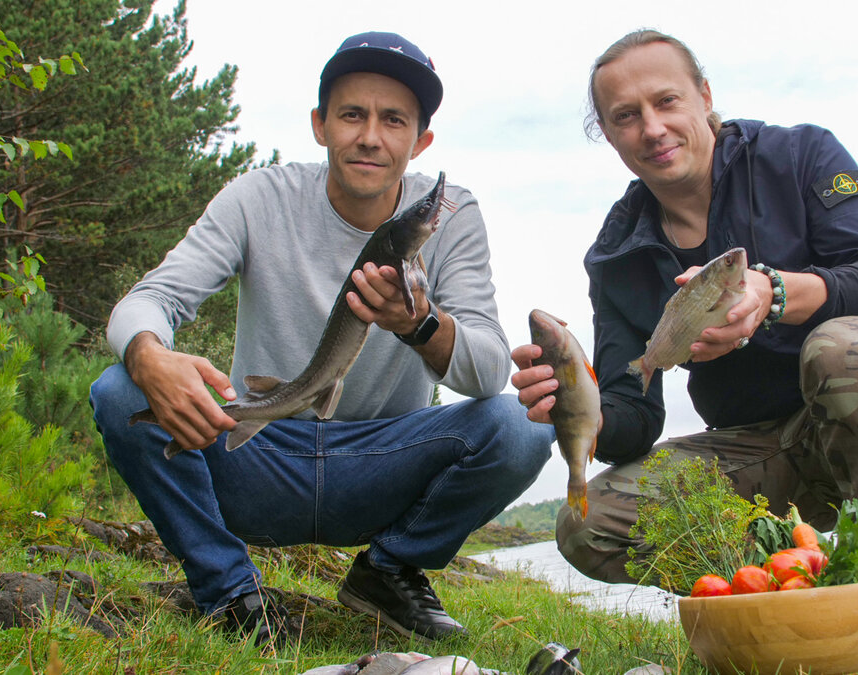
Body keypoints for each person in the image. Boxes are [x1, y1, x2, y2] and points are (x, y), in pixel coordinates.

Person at [90, 31, 552, 647]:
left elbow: (488, 370)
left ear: (421, 140)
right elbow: (148, 301)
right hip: (254, 449)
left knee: (525, 421)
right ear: (320, 124)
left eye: (394, 120)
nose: (370, 136)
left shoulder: (451, 216)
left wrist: (419, 325)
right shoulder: (260, 197)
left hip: (382, 465)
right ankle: (229, 592)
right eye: (352, 114)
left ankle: (387, 572)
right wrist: (150, 355)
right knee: (122, 390)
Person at [512, 29, 858, 589]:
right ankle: (773, 594)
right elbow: (636, 417)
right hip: (760, 448)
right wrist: (579, 409)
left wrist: (774, 295)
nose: (652, 129)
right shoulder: (615, 255)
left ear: (705, 96)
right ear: (608, 133)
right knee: (588, 523)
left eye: (666, 101)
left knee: (839, 347)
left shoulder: (802, 156)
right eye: (626, 116)